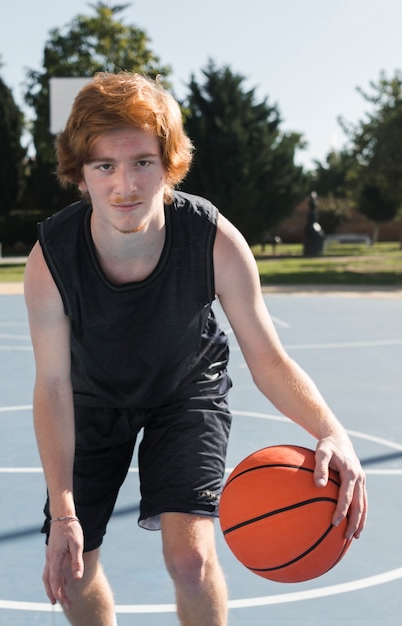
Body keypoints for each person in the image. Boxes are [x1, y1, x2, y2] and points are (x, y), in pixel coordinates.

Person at [23, 72, 367, 626]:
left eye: (142, 162)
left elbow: (268, 357)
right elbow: (54, 386)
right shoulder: (51, 260)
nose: (124, 185)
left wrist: (332, 430)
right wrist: (63, 512)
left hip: (186, 389)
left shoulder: (212, 239)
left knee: (192, 559)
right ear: (81, 175)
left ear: (168, 164)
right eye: (103, 166)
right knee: (74, 568)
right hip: (90, 399)